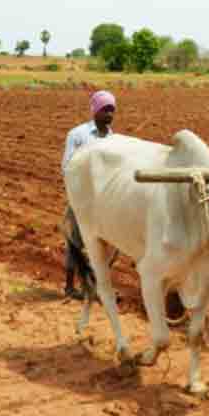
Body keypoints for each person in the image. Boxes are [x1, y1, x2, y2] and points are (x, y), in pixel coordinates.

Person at [60, 90, 117, 300]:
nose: (109, 114)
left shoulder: (113, 138)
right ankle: (69, 286)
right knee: (75, 242)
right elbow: (67, 167)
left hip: (104, 201)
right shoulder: (78, 135)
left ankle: (94, 286)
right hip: (82, 200)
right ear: (95, 110)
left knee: (106, 245)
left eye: (112, 110)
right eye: (105, 109)